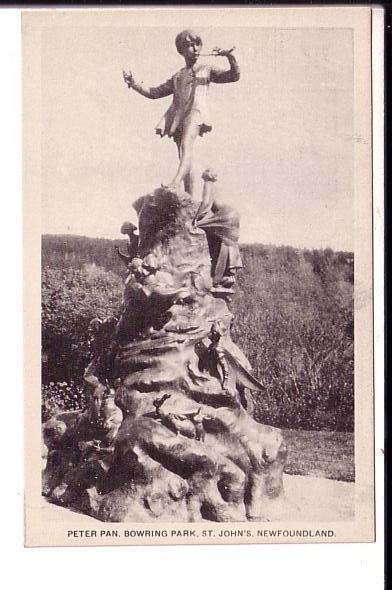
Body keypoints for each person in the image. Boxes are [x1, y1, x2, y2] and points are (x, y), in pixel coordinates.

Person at [123, 30, 240, 195]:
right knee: (185, 158)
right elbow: (154, 93)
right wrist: (134, 83)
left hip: (196, 114)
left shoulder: (206, 69)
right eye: (190, 45)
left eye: (197, 44)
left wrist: (229, 56)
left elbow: (234, 76)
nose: (195, 48)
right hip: (178, 118)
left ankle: (175, 183)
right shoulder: (178, 76)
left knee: (186, 147)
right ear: (182, 50)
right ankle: (189, 197)